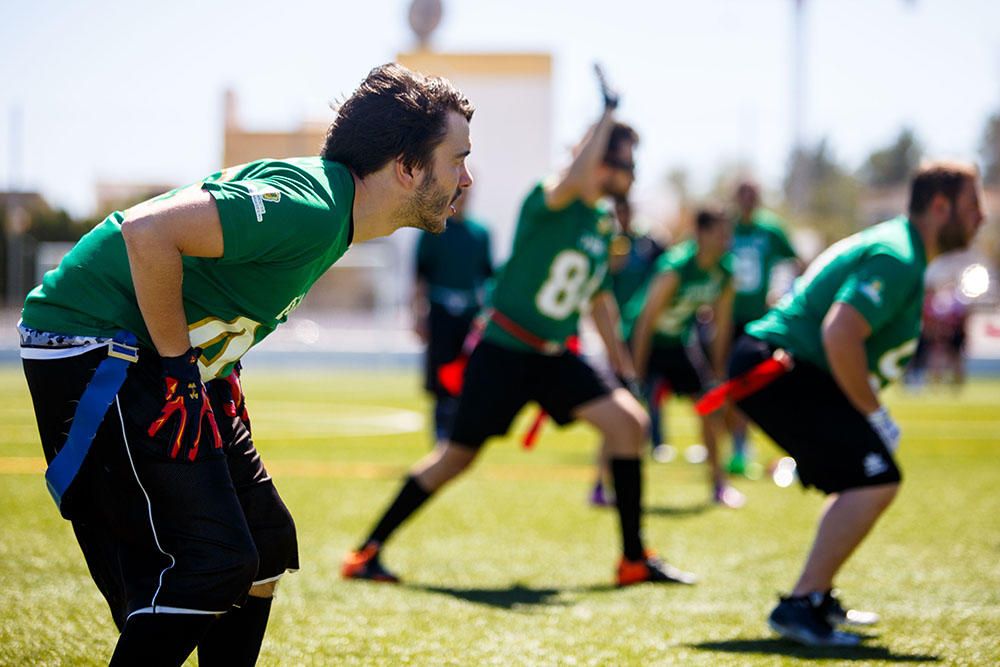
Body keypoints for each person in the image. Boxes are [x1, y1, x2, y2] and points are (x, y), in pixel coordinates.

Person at [18, 63, 474, 666]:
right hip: (93, 345)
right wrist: (183, 371)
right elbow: (148, 233)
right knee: (213, 560)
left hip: (156, 356)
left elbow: (212, 284)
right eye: (458, 158)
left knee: (263, 545)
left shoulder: (332, 212)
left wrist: (214, 368)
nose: (466, 178)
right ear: (407, 167)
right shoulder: (310, 205)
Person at [342, 80, 696, 588]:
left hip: (552, 356)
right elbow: (575, 178)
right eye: (624, 162)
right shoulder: (550, 198)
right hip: (503, 351)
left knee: (629, 424)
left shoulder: (600, 223)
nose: (632, 174)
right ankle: (366, 551)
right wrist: (606, 115)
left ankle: (634, 559)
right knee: (456, 458)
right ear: (597, 161)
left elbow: (597, 298)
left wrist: (621, 362)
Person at [727, 161, 983, 646]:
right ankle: (800, 605)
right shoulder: (898, 254)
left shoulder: (904, 250)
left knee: (860, 478)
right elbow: (840, 333)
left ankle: (815, 596)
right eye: (974, 206)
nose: (982, 218)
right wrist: (873, 414)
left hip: (781, 365)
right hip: (777, 366)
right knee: (876, 478)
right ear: (940, 206)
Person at [627, 207, 744, 508]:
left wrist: (718, 371)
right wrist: (636, 373)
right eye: (720, 232)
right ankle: (603, 485)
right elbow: (645, 321)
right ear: (701, 233)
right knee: (626, 412)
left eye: (728, 232)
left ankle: (719, 486)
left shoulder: (724, 270)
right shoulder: (676, 266)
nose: (726, 239)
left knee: (708, 406)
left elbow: (722, 324)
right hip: (643, 340)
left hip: (678, 341)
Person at [589, 195, 665, 506]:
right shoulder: (607, 241)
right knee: (622, 411)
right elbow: (600, 289)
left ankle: (609, 482)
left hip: (641, 332)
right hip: (617, 336)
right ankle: (600, 484)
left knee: (638, 406)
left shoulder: (647, 242)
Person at [727, 180, 801, 475]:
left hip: (763, 321)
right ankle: (738, 448)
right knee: (730, 385)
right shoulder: (727, 227)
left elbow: (794, 262)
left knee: (767, 385)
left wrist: (781, 292)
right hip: (728, 318)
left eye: (751, 195)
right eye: (742, 195)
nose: (746, 201)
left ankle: (787, 449)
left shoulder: (771, 229)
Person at [412, 188, 493, 444]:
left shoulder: (481, 233)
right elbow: (420, 275)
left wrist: (487, 315)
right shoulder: (433, 230)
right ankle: (440, 432)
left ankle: (460, 434)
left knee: (467, 375)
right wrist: (418, 314)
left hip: (470, 314)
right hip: (440, 310)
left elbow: (488, 278)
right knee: (440, 373)